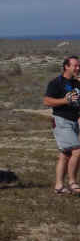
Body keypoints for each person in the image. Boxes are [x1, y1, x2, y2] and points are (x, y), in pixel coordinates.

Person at [44, 56, 80, 194]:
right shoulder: (56, 83)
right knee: (77, 151)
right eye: (75, 66)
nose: (78, 68)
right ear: (66, 66)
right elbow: (47, 101)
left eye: (79, 66)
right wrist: (64, 101)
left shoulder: (77, 83)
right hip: (61, 121)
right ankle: (73, 182)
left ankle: (59, 186)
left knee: (65, 154)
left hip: (74, 121)